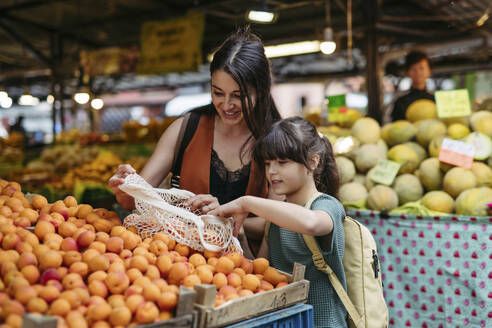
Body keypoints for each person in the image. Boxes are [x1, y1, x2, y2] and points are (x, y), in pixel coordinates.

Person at [109, 27, 281, 254]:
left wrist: (220, 221)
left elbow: (278, 225)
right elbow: (136, 199)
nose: (227, 105)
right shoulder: (186, 129)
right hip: (181, 262)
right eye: (218, 93)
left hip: (249, 271)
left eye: (238, 96)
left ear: (260, 91)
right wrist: (126, 186)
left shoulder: (277, 141)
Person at [210, 117, 347, 328]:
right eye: (267, 164)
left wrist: (247, 203)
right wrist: (240, 235)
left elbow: (312, 224)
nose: (272, 171)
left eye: (282, 162)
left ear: (312, 161)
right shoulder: (276, 217)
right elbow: (261, 271)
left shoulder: (327, 206)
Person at [388, 50, 434, 122]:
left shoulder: (437, 99)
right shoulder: (399, 100)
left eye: (421, 68)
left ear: (429, 71)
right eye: (413, 69)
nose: (418, 72)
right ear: (407, 72)